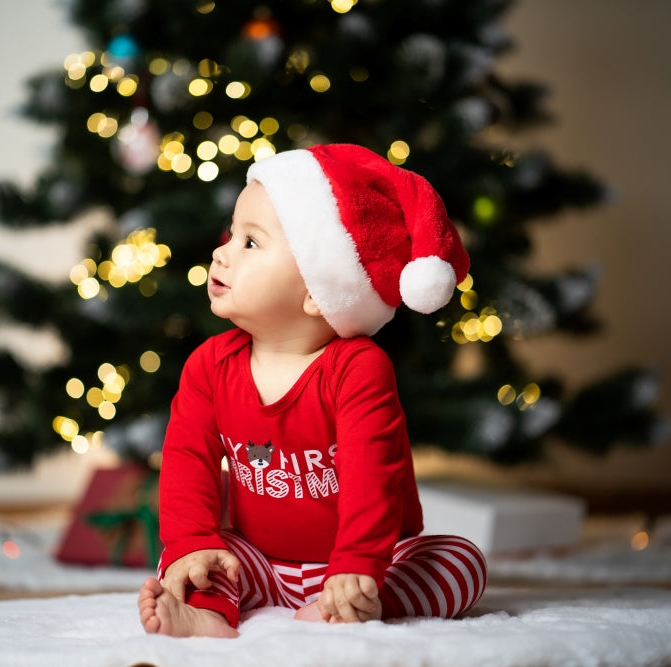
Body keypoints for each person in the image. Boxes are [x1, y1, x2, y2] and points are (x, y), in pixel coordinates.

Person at [138, 144, 486, 638]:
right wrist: (192, 543)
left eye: (250, 243)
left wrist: (357, 565)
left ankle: (357, 604)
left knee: (461, 560)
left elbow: (374, 472)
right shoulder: (210, 365)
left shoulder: (358, 368)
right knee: (195, 557)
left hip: (363, 563)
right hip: (258, 560)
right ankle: (207, 613)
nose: (222, 251)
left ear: (315, 293)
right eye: (231, 235)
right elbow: (187, 459)